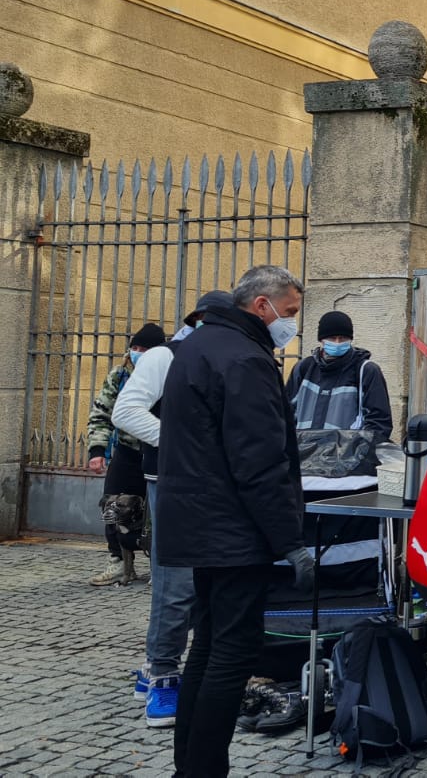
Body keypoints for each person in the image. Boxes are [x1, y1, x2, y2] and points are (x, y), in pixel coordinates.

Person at [157, 265, 314, 777]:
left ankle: (192, 766)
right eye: (289, 312)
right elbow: (260, 462)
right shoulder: (244, 359)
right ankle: (203, 769)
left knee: (207, 647)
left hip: (204, 524)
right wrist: (290, 541)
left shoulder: (200, 347)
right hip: (233, 531)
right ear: (261, 305)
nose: (292, 323)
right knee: (231, 653)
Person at [113, 291, 232, 728]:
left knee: (199, 578)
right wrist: (182, 445)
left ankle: (158, 669)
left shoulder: (219, 356)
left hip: (210, 482)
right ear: (199, 320)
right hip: (172, 480)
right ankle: (162, 674)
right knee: (175, 578)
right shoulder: (166, 356)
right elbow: (125, 412)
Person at [85, 321, 165, 586]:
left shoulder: (167, 376)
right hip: (127, 453)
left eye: (145, 348)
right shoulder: (119, 376)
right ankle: (117, 561)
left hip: (157, 454)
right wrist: (97, 450)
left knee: (158, 513)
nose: (138, 352)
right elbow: (100, 414)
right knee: (113, 506)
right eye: (135, 347)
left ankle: (158, 564)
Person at [285, 310, 393, 440]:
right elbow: (285, 414)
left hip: (348, 457)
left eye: (343, 338)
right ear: (322, 340)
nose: (337, 342)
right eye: (332, 338)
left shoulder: (366, 371)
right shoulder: (304, 368)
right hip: (304, 455)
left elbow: (379, 424)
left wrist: (355, 454)